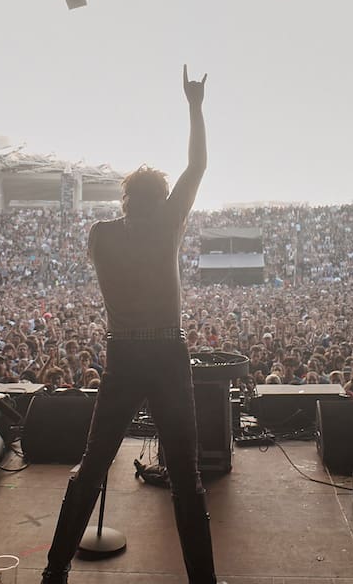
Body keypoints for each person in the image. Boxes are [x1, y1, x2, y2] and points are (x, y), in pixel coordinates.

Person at [42, 66, 221, 584]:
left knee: (93, 464)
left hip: (122, 353)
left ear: (124, 199)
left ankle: (54, 571)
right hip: (166, 353)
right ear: (162, 199)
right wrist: (194, 105)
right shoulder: (168, 223)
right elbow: (199, 164)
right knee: (186, 478)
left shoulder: (100, 234)